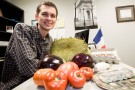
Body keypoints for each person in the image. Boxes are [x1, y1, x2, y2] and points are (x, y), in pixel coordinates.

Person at [0, 1, 58, 90]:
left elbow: (48, 64)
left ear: (56, 19)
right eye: (45, 14)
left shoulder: (50, 40)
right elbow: (29, 68)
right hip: (16, 85)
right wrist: (55, 67)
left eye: (53, 16)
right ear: (36, 16)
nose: (49, 18)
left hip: (37, 82)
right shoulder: (22, 30)